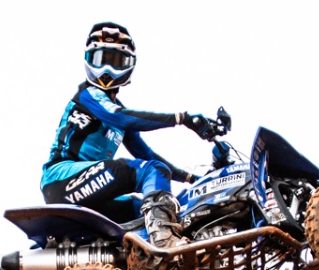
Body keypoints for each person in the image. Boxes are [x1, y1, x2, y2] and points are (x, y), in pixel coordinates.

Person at [41, 21, 225, 249]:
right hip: (60, 179)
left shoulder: (118, 112)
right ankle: (164, 240)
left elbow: (147, 155)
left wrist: (194, 179)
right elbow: (122, 118)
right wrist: (181, 118)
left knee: (144, 207)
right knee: (150, 172)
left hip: (89, 190)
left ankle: (151, 258)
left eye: (116, 61)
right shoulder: (89, 96)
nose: (107, 68)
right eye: (101, 59)